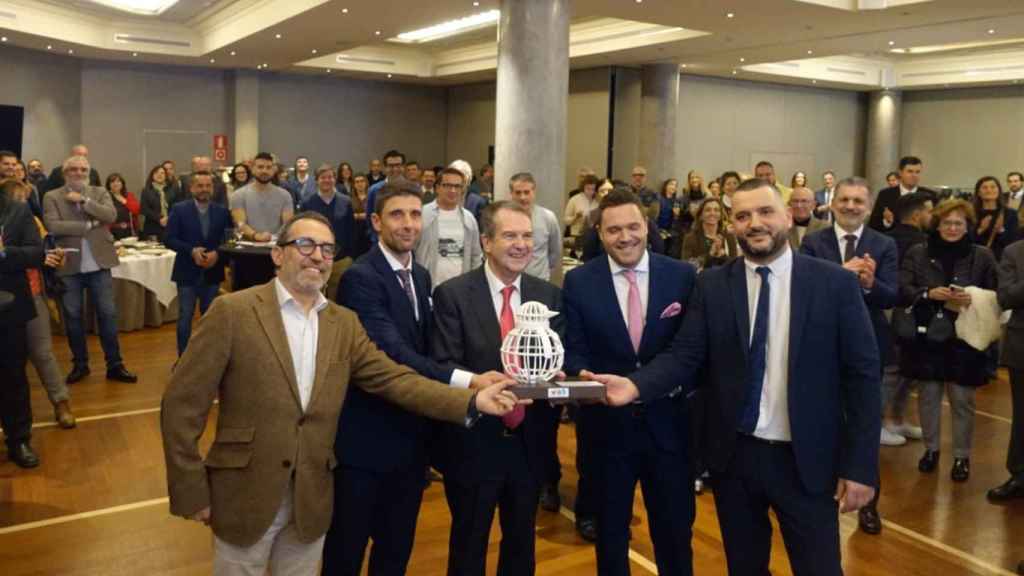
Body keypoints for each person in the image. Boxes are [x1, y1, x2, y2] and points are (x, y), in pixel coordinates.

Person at [161, 211, 521, 576]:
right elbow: (181, 404)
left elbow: (395, 379)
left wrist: (472, 399)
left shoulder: (343, 324)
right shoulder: (233, 312)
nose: (317, 256)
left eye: (327, 249)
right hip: (243, 494)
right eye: (305, 244)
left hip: (311, 498)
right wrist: (190, 489)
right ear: (278, 254)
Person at [589, 178, 881, 576]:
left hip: (806, 460)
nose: (754, 223)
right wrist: (636, 385)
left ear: (788, 215)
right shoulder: (712, 284)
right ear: (732, 225)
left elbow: (863, 379)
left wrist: (861, 466)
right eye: (742, 216)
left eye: (764, 212)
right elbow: (685, 354)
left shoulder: (835, 284)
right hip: (735, 459)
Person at [324, 183, 506, 576]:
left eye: (413, 214)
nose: (408, 224)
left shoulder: (421, 277)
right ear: (375, 222)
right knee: (347, 550)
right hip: (366, 442)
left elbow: (428, 350)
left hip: (410, 442)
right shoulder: (360, 278)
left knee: (396, 548)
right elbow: (394, 354)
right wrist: (469, 380)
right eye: (396, 214)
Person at [564, 189, 697, 575]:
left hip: (670, 429)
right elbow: (575, 351)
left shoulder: (682, 277)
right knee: (609, 538)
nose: (626, 237)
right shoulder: (579, 282)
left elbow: (690, 351)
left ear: (648, 227)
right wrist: (581, 376)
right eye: (614, 229)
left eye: (633, 226)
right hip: (606, 432)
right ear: (600, 234)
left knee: (674, 536)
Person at [431, 200, 563, 576]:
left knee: (522, 542)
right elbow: (441, 364)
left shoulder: (549, 297)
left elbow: (558, 361)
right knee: (469, 543)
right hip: (474, 442)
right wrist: (478, 385)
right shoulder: (453, 295)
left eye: (527, 236)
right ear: (487, 242)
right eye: (510, 236)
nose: (522, 244)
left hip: (530, 441)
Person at [799, 177, 899, 535]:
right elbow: (803, 291)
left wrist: (870, 284)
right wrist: (841, 277)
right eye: (844, 200)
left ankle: (869, 505)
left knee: (866, 424)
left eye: (858, 201)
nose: (851, 206)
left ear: (869, 207)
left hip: (868, 348)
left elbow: (893, 295)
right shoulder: (813, 241)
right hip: (822, 348)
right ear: (832, 204)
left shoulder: (884, 245)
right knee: (824, 422)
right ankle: (819, 494)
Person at [899, 198, 997, 483]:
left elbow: (997, 292)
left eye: (959, 223)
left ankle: (961, 457)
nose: (952, 228)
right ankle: (931, 450)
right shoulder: (917, 252)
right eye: (947, 223)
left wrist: (974, 297)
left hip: (966, 337)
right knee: (928, 396)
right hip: (927, 335)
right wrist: (929, 294)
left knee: (962, 399)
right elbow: (902, 288)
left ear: (968, 226)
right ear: (937, 224)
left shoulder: (983, 256)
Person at [43, 155, 137, 385]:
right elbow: (53, 226)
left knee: (108, 314)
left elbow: (111, 216)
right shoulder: (51, 196)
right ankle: (80, 365)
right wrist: (89, 225)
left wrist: (84, 201)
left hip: (100, 264)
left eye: (83, 169)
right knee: (73, 317)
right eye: (73, 169)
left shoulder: (99, 192)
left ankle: (115, 365)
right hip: (69, 265)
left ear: (89, 172)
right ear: (65, 173)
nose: (78, 173)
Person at [6, 178, 74, 429]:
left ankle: (61, 402)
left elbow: (45, 253)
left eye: (25, 198)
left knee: (42, 353)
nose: (22, 203)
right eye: (17, 198)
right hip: (6, 299)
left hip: (33, 294)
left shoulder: (35, 223)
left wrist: (54, 258)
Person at [0, 178, 49, 468]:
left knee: (13, 377)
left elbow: (36, 253)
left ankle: (19, 439)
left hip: (8, 310)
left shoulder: (18, 212)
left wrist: (5, 252)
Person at [164, 171, 232, 357]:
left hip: (213, 272)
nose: (204, 189)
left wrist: (217, 255)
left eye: (208, 186)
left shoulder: (223, 212)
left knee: (210, 319)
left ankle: (207, 360)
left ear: (213, 188)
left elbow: (229, 241)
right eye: (200, 186)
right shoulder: (179, 209)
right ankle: (183, 359)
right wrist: (191, 251)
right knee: (185, 317)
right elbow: (169, 239)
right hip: (186, 272)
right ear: (191, 188)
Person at [991, 238, 1024, 504]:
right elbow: (1006, 297)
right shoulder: (1014, 252)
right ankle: (1019, 475)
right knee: (1022, 415)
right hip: (1021, 345)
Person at [415, 167, 483, 289]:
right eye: (447, 185)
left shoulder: (469, 219)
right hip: (428, 287)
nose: (452, 190)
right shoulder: (422, 214)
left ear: (462, 190)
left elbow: (476, 256)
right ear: (437, 188)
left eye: (457, 186)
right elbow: (411, 250)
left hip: (461, 289)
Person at [299, 164, 355, 300]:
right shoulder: (308, 203)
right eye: (323, 177)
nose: (327, 180)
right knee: (314, 296)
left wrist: (350, 255)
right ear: (317, 180)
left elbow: (351, 230)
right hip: (315, 258)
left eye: (330, 177)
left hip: (341, 260)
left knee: (340, 297)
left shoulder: (345, 201)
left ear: (335, 179)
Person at [508, 172, 562, 282]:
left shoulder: (548, 218)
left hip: (539, 281)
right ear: (511, 194)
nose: (522, 197)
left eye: (527, 192)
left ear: (534, 192)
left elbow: (554, 252)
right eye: (518, 193)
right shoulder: (503, 219)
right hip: (510, 282)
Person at [230, 152, 294, 241]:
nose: (264, 171)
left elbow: (288, 224)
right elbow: (240, 224)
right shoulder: (238, 195)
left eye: (268, 167)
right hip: (247, 248)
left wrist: (273, 238)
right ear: (252, 169)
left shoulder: (285, 195)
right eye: (260, 167)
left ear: (273, 170)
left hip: (276, 246)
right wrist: (257, 236)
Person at [870, 156, 936, 231]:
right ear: (900, 173)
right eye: (910, 171)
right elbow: (873, 225)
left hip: (922, 240)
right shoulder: (885, 195)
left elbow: (935, 226)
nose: (914, 175)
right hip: (892, 240)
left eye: (917, 172)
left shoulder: (930, 196)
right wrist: (887, 222)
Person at [680, 197, 738, 270]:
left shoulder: (729, 237)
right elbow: (686, 266)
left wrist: (723, 256)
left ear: (720, 215)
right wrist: (710, 255)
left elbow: (735, 266)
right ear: (701, 215)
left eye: (716, 210)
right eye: (708, 210)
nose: (712, 213)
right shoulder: (690, 238)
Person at [972, 175, 1018, 261]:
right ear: (978, 192)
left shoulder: (1010, 214)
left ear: (999, 191)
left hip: (1001, 261)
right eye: (984, 187)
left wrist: (1001, 230)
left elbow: (1013, 243)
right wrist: (980, 230)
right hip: (976, 261)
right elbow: (966, 241)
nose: (989, 190)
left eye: (993, 187)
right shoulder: (971, 213)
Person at [889, 192, 933, 264]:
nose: (933, 216)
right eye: (930, 212)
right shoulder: (926, 244)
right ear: (916, 215)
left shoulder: (882, 240)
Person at [564, 174, 601, 250]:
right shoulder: (575, 199)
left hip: (594, 236)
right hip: (577, 236)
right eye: (587, 189)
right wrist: (575, 217)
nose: (590, 192)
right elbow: (566, 220)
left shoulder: (598, 201)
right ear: (583, 187)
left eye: (593, 189)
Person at [140, 164, 171, 241]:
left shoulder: (171, 190)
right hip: (152, 227)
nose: (159, 175)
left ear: (166, 176)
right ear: (152, 176)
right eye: (156, 173)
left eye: (162, 173)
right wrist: (159, 219)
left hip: (170, 225)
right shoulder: (146, 191)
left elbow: (177, 206)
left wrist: (168, 218)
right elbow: (144, 209)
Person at [105, 173, 140, 240]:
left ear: (122, 183)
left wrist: (125, 202)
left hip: (129, 231)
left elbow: (136, 210)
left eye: (118, 181)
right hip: (113, 232)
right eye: (112, 181)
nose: (116, 183)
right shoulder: (106, 197)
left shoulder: (129, 195)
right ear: (109, 185)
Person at [349, 173, 372, 259]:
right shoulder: (349, 199)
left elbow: (376, 214)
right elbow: (348, 216)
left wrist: (358, 216)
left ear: (366, 183)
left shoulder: (372, 197)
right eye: (357, 182)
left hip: (370, 233)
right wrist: (363, 215)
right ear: (354, 185)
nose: (360, 184)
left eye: (362, 181)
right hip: (356, 234)